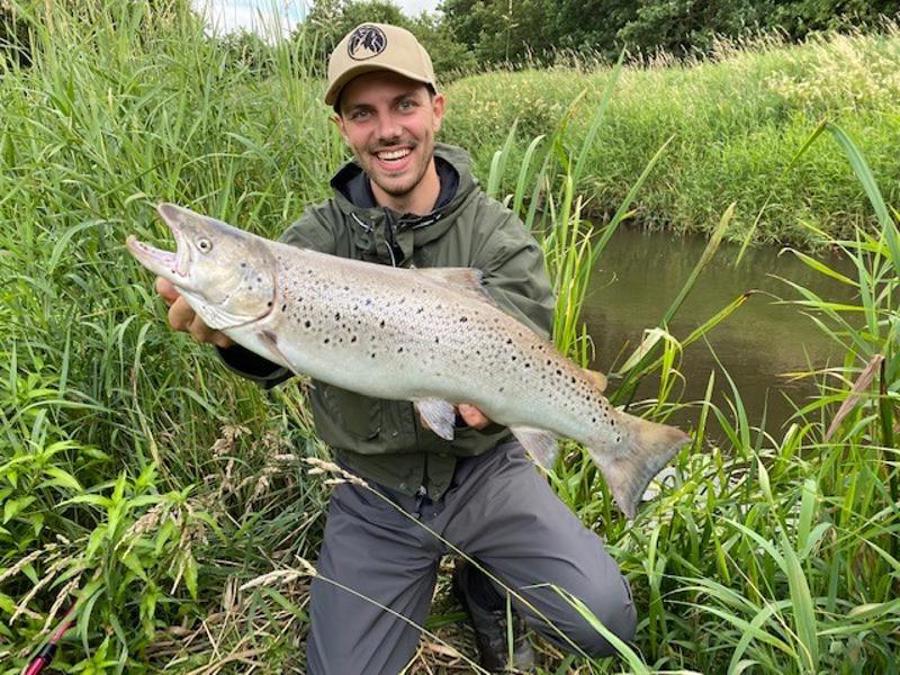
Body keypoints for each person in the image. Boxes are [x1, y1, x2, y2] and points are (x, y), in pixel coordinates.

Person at [156, 22, 636, 675]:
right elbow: (272, 357)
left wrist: (506, 407)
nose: (387, 130)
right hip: (373, 488)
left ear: (436, 107)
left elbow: (528, 353)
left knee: (605, 622)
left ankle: (485, 580)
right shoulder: (310, 242)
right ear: (342, 128)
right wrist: (229, 338)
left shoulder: (500, 239)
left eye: (404, 105)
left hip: (486, 473)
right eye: (363, 113)